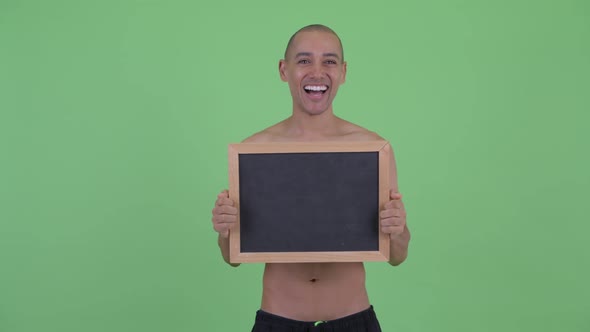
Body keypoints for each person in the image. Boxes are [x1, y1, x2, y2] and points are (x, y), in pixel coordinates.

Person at [211, 24, 410, 332]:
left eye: (329, 61)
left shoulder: (372, 149)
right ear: (283, 70)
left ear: (343, 72)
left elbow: (398, 254)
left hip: (353, 320)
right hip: (278, 321)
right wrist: (225, 230)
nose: (317, 72)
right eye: (304, 60)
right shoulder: (254, 152)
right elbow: (232, 257)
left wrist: (398, 229)